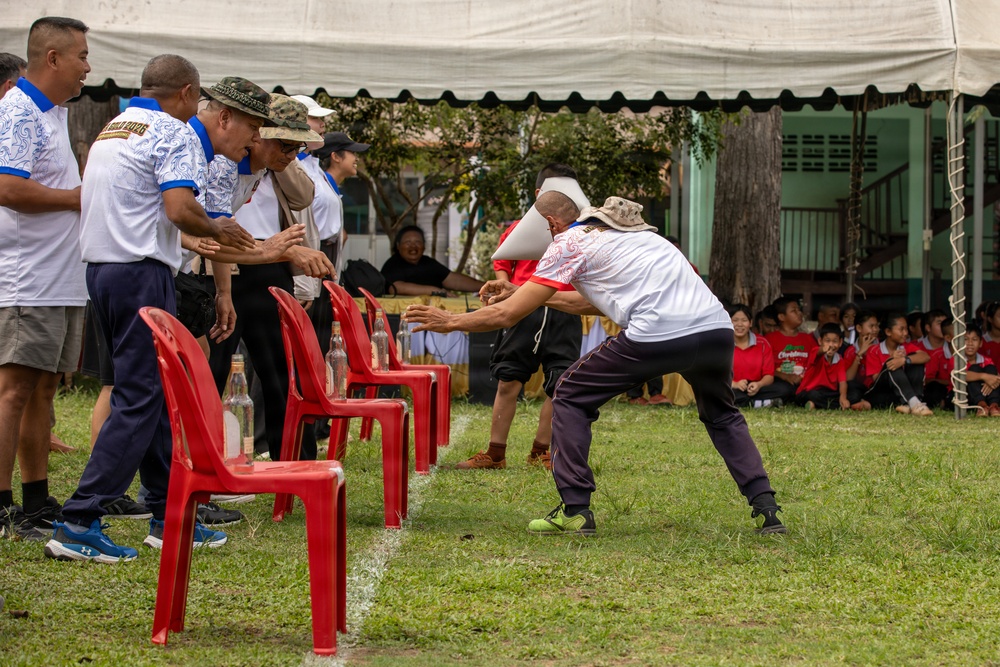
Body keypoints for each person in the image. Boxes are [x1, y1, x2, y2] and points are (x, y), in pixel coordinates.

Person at [406, 194, 787, 536]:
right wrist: (523, 292)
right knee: (723, 416)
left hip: (657, 332)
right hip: (715, 330)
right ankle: (766, 508)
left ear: (553, 226)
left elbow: (506, 316)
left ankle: (575, 509)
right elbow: (588, 302)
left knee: (569, 393)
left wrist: (450, 321)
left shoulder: (568, 241)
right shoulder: (645, 240)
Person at [46, 60, 261, 563]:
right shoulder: (175, 131)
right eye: (251, 127)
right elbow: (179, 210)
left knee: (156, 395)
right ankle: (80, 518)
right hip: (140, 272)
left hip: (102, 270)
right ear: (189, 93)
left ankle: (170, 514)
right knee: (141, 399)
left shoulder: (115, 126)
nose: (252, 138)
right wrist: (220, 229)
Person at [0, 18, 90, 541]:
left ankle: (35, 500)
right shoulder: (17, 110)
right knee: (13, 391)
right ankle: (3, 507)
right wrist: (77, 199)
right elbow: (9, 189)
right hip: (26, 277)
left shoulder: (52, 113)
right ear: (52, 58)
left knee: (43, 391)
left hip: (58, 277)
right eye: (80, 55)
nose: (88, 66)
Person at [207, 95, 333, 463]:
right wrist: (223, 288)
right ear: (257, 132)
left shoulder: (269, 165)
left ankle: (295, 461)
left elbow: (303, 196)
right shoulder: (223, 163)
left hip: (266, 266)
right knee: (213, 374)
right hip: (223, 267)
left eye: (298, 145)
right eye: (284, 143)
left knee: (281, 375)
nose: (293, 153)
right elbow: (212, 236)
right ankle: (206, 467)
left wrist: (279, 157)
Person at [457, 163, 585, 470]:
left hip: (563, 310)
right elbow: (502, 259)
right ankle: (495, 453)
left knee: (561, 383)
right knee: (508, 380)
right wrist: (507, 286)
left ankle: (542, 451)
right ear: (539, 194)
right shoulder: (518, 228)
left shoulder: (583, 231)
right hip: (523, 309)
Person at [860, 313, 932, 416]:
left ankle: (913, 403)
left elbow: (926, 356)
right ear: (888, 332)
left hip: (900, 394)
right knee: (893, 364)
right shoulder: (874, 350)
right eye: (901, 329)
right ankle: (914, 404)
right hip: (880, 393)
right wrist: (892, 359)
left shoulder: (906, 346)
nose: (905, 333)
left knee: (914, 360)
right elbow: (876, 379)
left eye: (906, 329)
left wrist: (905, 360)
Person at [381, 224, 485, 296]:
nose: (413, 246)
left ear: (424, 246)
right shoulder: (392, 264)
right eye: (408, 242)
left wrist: (485, 286)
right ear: (398, 246)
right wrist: (434, 291)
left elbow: (454, 281)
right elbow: (395, 288)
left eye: (418, 242)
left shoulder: (428, 263)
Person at [728, 304, 784, 408]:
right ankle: (759, 403)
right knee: (721, 392)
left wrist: (759, 385)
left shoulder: (762, 343)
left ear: (750, 323)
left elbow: (769, 376)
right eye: (735, 320)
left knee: (784, 389)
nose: (739, 324)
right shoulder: (723, 344)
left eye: (744, 320)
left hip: (756, 387)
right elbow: (717, 375)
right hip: (732, 386)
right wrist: (735, 384)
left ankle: (749, 402)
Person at [764, 296, 817, 402]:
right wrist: (785, 376)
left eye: (799, 310)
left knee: (814, 392)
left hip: (805, 382)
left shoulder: (808, 338)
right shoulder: (769, 339)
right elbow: (764, 368)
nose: (799, 313)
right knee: (784, 389)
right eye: (794, 310)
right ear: (782, 317)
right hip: (782, 382)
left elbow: (816, 364)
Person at [795, 323, 854, 410]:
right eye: (827, 341)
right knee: (813, 395)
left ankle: (815, 405)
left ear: (840, 342)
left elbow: (842, 382)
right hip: (809, 391)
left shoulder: (839, 360)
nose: (831, 345)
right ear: (820, 341)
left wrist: (843, 397)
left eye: (835, 341)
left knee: (853, 393)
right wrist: (823, 349)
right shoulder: (815, 351)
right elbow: (818, 352)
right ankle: (842, 406)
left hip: (827, 392)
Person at [842, 309, 877, 411]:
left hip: (874, 389)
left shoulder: (880, 348)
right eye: (871, 326)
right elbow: (848, 378)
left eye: (876, 326)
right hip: (857, 388)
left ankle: (864, 403)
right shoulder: (850, 351)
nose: (875, 329)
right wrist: (860, 354)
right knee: (852, 390)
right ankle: (863, 402)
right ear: (858, 328)